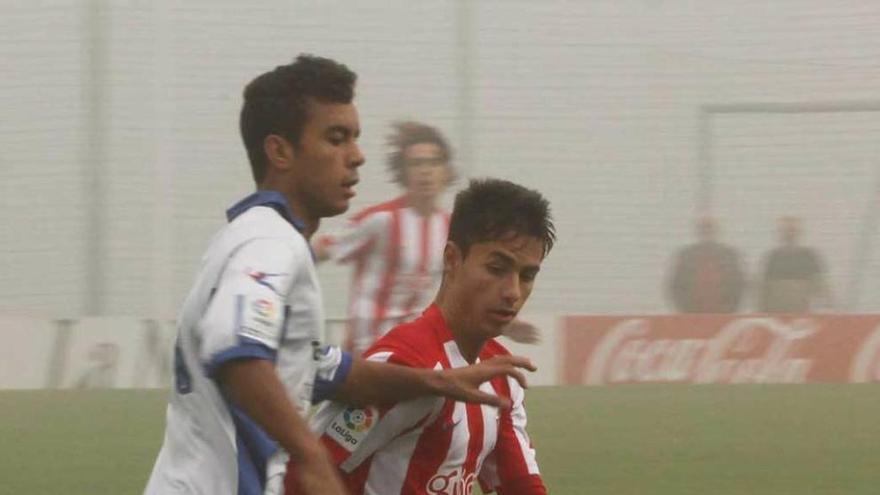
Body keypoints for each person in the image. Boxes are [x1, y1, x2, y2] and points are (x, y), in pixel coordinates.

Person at [144, 55, 536, 495]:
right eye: (336, 138)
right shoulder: (270, 244)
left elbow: (335, 373)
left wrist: (438, 381)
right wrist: (312, 461)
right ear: (280, 151)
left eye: (355, 138)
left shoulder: (256, 240)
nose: (356, 156)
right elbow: (237, 350)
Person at [288, 178, 554, 494]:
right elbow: (302, 473)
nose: (513, 292)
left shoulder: (501, 375)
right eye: (497, 268)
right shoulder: (402, 366)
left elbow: (521, 484)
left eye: (526, 276)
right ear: (452, 259)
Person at [313, 122, 540, 354]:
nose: (425, 171)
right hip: (367, 353)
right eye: (416, 163)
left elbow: (464, 291)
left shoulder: (452, 229)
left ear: (446, 170)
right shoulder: (381, 221)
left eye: (433, 163)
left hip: (417, 354)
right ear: (403, 172)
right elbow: (323, 248)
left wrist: (507, 324)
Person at [666, 216, 745, 313]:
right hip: (693, 313)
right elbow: (676, 285)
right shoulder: (686, 256)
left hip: (723, 314)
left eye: (709, 229)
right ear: (699, 232)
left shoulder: (729, 255)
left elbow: (739, 285)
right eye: (704, 230)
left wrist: (729, 309)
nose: (707, 233)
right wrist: (686, 310)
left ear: (715, 231)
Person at [759, 215, 833, 313]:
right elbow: (763, 289)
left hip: (803, 312)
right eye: (786, 230)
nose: (789, 233)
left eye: (792, 230)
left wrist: (826, 306)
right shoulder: (772, 257)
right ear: (780, 233)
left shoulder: (809, 256)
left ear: (798, 232)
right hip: (776, 312)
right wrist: (762, 311)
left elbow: (820, 285)